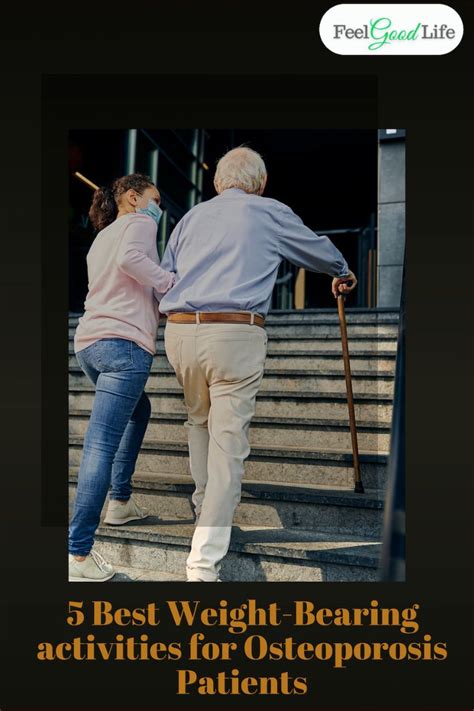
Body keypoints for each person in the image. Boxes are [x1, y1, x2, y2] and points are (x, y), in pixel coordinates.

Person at [159, 146, 357, 582]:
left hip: (178, 330)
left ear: (216, 183)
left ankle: (205, 508)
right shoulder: (268, 211)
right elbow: (316, 251)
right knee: (228, 445)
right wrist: (342, 270)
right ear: (260, 183)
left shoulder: (190, 218)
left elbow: (166, 274)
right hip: (234, 330)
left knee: (198, 421)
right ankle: (203, 562)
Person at [69, 173, 175, 582]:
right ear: (134, 197)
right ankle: (78, 554)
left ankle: (120, 502)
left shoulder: (103, 236)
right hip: (123, 347)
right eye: (155, 197)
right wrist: (171, 284)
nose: (158, 207)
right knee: (100, 446)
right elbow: (134, 262)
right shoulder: (140, 222)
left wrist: (156, 299)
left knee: (139, 410)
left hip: (90, 344)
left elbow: (121, 281)